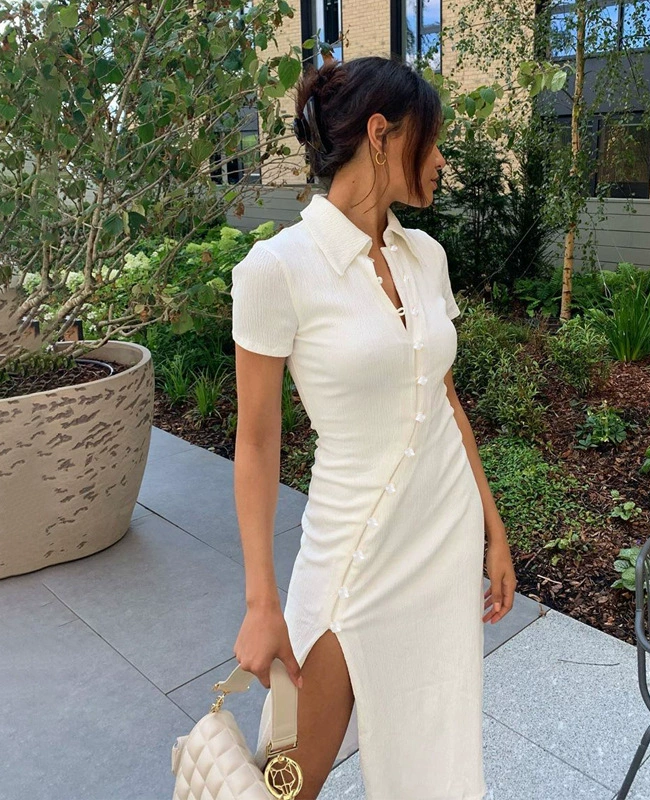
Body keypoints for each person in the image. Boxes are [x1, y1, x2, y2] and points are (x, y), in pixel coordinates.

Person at [230, 53, 517, 800]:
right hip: (348, 556)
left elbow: (445, 400)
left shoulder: (427, 257)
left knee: (434, 747)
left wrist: (494, 531)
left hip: (444, 540)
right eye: (433, 139)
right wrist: (262, 603)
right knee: (286, 778)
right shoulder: (277, 269)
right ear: (382, 135)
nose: (442, 160)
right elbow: (256, 443)